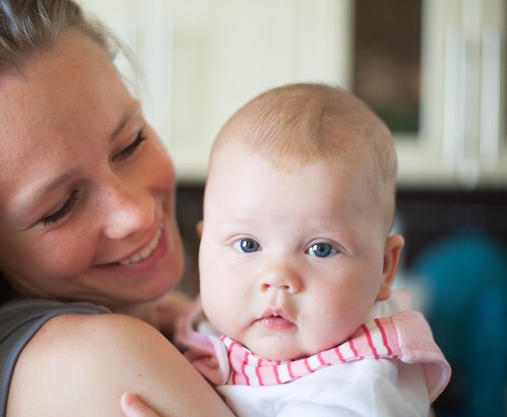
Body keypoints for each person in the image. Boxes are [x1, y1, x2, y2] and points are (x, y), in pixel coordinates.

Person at [0, 1, 237, 416]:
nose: (135, 213)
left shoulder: (182, 325)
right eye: (60, 207)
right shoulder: (98, 362)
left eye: (131, 144)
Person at [170, 83, 451, 416]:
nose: (276, 278)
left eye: (320, 249)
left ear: (384, 269)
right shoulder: (226, 317)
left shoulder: (355, 391)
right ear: (205, 247)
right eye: (248, 245)